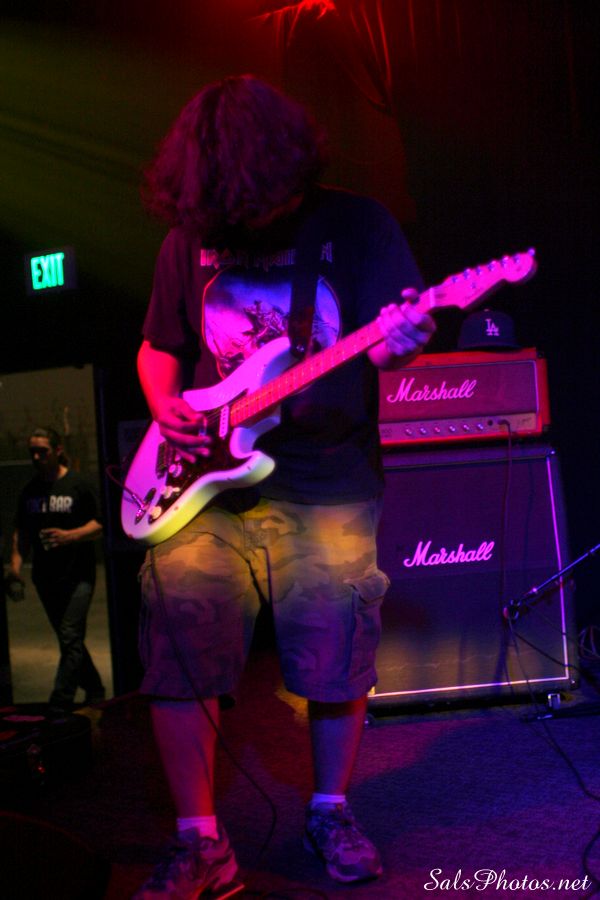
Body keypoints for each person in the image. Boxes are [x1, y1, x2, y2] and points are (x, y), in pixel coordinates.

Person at [132, 74, 435, 898]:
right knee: (180, 643)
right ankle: (200, 841)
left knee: (336, 652)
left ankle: (330, 812)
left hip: (327, 474)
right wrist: (164, 404)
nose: (242, 222)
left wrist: (404, 337)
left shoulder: (358, 225)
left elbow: (388, 343)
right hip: (203, 480)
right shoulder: (188, 238)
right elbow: (158, 346)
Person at [8, 427, 105, 715]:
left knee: (70, 635)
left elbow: (101, 523)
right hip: (45, 577)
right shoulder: (30, 490)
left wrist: (70, 536)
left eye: (43, 451)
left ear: (58, 450)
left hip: (79, 575)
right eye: (33, 452)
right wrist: (15, 568)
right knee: (69, 639)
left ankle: (59, 704)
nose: (37, 457)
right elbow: (21, 533)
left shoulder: (78, 484)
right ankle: (95, 689)